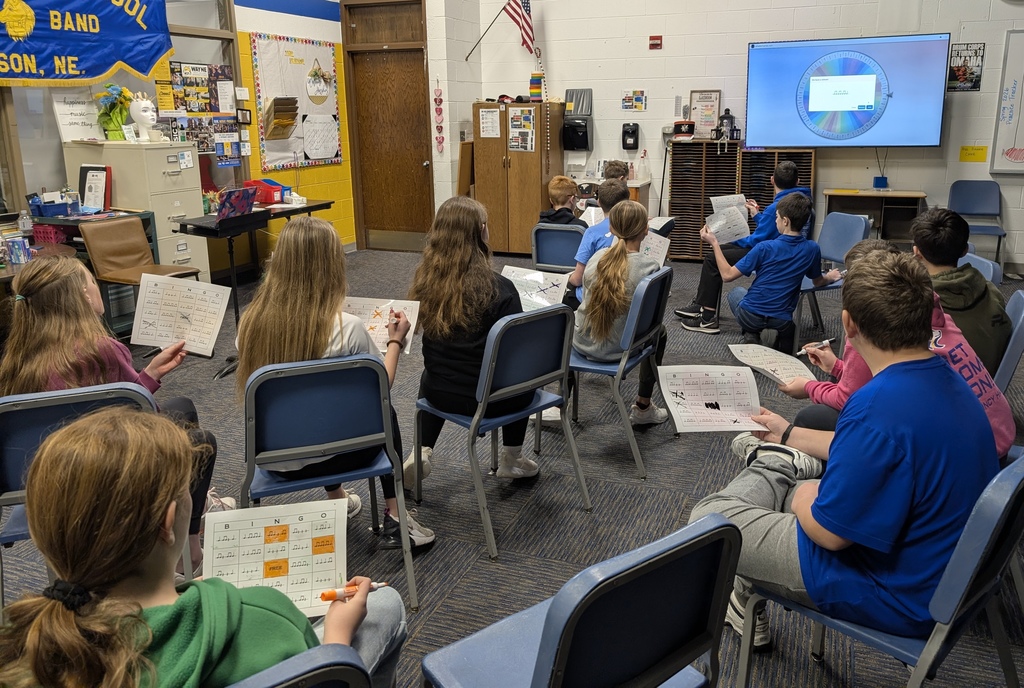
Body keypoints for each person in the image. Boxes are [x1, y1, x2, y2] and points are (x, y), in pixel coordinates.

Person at [688, 251, 999, 651]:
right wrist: (788, 433)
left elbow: (830, 535)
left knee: (710, 520)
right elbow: (874, 450)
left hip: (888, 589)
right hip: (936, 570)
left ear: (848, 324)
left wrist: (803, 496)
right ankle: (783, 457)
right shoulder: (950, 381)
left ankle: (778, 468)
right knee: (790, 459)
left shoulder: (875, 407)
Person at [0, 407, 407, 688]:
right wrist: (336, 641)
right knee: (385, 604)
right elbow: (318, 677)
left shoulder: (19, 646)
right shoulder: (260, 616)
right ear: (167, 523)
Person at [0, 255, 222, 573]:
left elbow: (116, 396)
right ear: (81, 296)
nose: (96, 284)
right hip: (106, 467)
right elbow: (144, 415)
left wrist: (150, 373)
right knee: (201, 441)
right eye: (91, 278)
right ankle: (189, 544)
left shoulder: (16, 360)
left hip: (44, 477)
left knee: (183, 407)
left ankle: (190, 507)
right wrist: (142, 382)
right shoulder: (101, 350)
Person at [236, 216, 434, 550]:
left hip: (273, 460)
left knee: (310, 402)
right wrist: (395, 342)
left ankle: (338, 496)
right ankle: (396, 513)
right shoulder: (348, 327)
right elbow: (382, 384)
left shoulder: (249, 324)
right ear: (330, 266)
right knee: (382, 414)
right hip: (342, 453)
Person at [779, 239, 1014, 458]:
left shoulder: (869, 331)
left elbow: (852, 399)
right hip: (996, 438)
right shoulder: (934, 316)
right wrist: (839, 368)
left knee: (817, 419)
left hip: (970, 456)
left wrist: (809, 387)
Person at [406, 195, 539, 485]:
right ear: (481, 231)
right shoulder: (500, 289)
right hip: (493, 401)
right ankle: (512, 458)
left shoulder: (426, 282)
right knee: (522, 377)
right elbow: (515, 357)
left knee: (433, 370)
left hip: (438, 394)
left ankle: (422, 449)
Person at [686, 193, 840, 352]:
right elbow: (817, 281)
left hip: (750, 317)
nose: (775, 221)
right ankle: (769, 336)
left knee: (736, 293)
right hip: (782, 322)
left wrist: (715, 243)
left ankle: (751, 333)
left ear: (785, 221)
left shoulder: (764, 248)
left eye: (777, 217)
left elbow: (727, 275)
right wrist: (831, 276)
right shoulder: (812, 249)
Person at [677, 160, 812, 332]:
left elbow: (756, 240)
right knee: (718, 254)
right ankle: (703, 304)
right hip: (783, 250)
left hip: (769, 253)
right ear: (798, 181)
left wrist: (726, 238)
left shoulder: (776, 207)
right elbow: (773, 228)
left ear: (772, 180)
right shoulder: (802, 202)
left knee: (713, 257)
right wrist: (756, 215)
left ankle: (707, 316)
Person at [574, 199, 669, 424]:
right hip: (621, 351)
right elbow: (651, 319)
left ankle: (562, 402)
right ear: (646, 230)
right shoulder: (650, 267)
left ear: (611, 228)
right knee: (661, 331)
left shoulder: (596, 258)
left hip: (581, 344)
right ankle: (643, 407)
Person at [911, 207, 1011, 374]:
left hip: (939, 391)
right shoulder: (992, 292)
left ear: (917, 252)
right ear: (965, 250)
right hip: (986, 385)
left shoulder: (913, 304)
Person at [564, 178, 631, 310]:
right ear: (628, 202)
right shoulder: (636, 229)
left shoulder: (592, 233)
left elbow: (577, 279)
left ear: (598, 202)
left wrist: (567, 280)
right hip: (626, 296)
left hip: (592, 299)